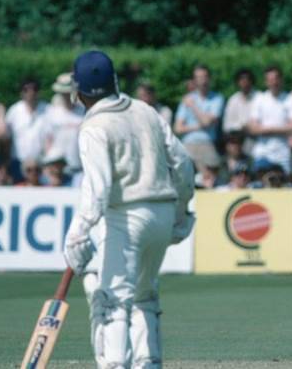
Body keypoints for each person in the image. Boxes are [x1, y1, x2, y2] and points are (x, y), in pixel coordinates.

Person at [61, 50, 195, 368]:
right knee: (144, 296)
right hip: (161, 213)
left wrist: (76, 235)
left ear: (77, 92)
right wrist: (180, 211)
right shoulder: (145, 110)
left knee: (113, 301)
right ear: (114, 82)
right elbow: (183, 163)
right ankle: (149, 363)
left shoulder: (94, 128)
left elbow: (97, 189)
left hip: (125, 218)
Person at [247, 66, 292, 175]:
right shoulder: (259, 99)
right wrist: (282, 129)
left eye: (276, 79)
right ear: (266, 82)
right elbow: (253, 128)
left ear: (281, 80)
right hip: (262, 151)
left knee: (283, 185)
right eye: (270, 80)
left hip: (282, 152)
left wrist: (267, 129)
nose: (274, 82)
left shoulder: (290, 99)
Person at [174, 64, 224, 171]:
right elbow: (178, 128)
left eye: (205, 77)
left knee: (209, 178)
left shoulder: (217, 98)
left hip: (207, 142)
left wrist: (193, 106)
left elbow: (206, 122)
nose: (203, 81)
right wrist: (199, 126)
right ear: (194, 80)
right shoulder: (187, 98)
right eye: (199, 77)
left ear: (209, 78)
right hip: (187, 143)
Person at [44, 73, 85, 173]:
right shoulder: (52, 113)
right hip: (57, 169)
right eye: (64, 93)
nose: (66, 96)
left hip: (79, 167)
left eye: (69, 93)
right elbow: (47, 139)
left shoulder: (83, 112)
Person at [5, 79, 49, 164]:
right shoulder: (14, 111)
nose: (31, 92)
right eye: (26, 89)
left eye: (34, 89)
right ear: (21, 93)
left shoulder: (48, 110)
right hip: (18, 162)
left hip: (42, 163)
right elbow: (7, 139)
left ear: (39, 91)